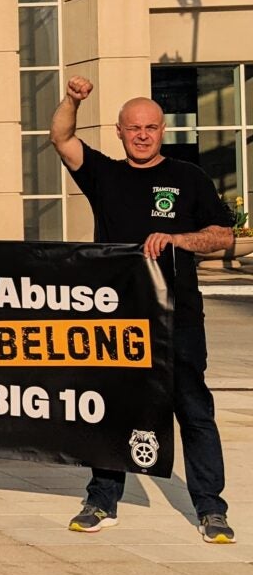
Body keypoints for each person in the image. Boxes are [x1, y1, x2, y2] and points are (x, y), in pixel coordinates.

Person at [50, 76, 235, 544]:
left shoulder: (188, 178)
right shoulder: (104, 175)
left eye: (150, 127)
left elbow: (224, 236)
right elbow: (62, 138)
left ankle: (210, 509)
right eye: (133, 128)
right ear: (119, 131)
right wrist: (72, 99)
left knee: (193, 411)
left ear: (163, 129)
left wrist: (177, 239)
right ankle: (102, 499)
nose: (142, 134)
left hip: (179, 321)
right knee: (114, 411)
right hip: (117, 321)